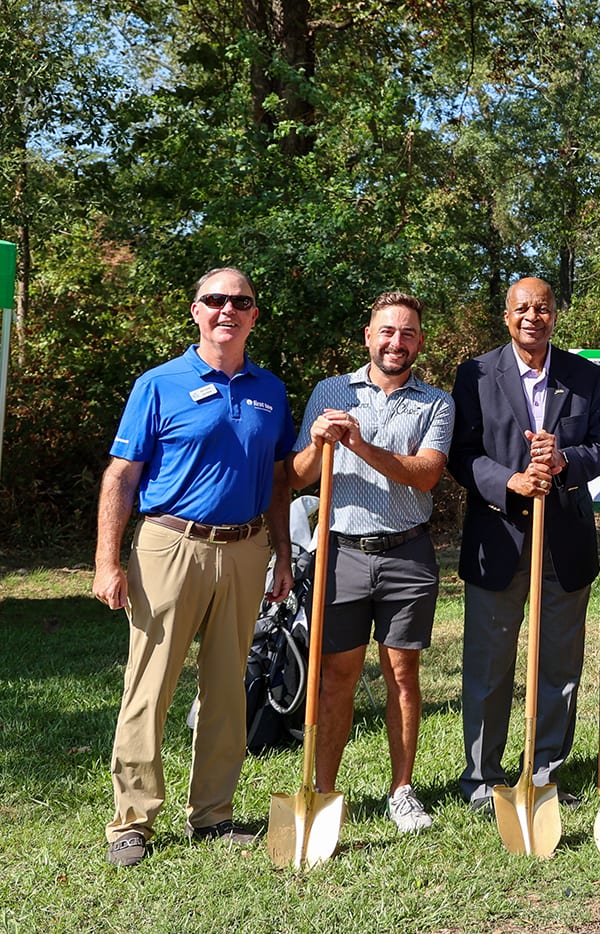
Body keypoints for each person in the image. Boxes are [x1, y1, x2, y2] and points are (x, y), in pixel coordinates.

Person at [93, 268, 294, 867]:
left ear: (254, 315)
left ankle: (213, 815)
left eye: (241, 301)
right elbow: (122, 476)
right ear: (196, 311)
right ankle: (132, 821)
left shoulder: (271, 390)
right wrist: (107, 561)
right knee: (148, 686)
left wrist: (283, 553)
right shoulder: (158, 384)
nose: (227, 309)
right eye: (216, 300)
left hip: (246, 548)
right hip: (169, 545)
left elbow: (280, 481)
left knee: (228, 689)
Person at [448, 277, 600, 811]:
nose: (532, 317)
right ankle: (481, 777)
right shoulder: (475, 375)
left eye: (542, 308)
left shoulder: (586, 377)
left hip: (563, 544)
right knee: (488, 665)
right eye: (522, 308)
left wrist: (566, 460)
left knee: (560, 667)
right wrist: (509, 482)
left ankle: (544, 771)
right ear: (506, 316)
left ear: (554, 316)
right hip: (498, 540)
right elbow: (461, 454)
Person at [290, 292, 454, 833]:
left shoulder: (436, 402)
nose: (396, 342)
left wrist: (358, 444)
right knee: (336, 675)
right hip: (340, 553)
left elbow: (426, 474)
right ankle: (324, 791)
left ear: (420, 342)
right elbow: (297, 477)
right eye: (387, 332)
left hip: (407, 552)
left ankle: (402, 790)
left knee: (402, 673)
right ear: (368, 336)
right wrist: (317, 444)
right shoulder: (330, 392)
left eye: (408, 333)